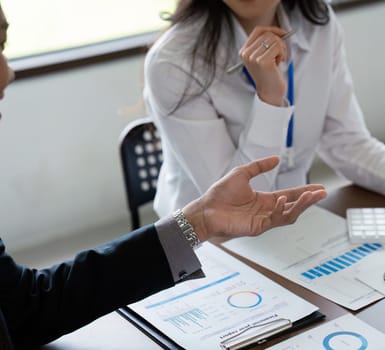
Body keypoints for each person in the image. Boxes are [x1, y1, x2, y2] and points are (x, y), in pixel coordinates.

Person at [0, 5, 327, 349]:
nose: (8, 74)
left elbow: (27, 306)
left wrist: (196, 223)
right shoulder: (174, 59)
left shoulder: (315, 21)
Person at [144, 0, 385, 219]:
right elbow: (239, 202)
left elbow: (347, 143)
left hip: (296, 221)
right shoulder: (175, 61)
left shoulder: (315, 21)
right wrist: (271, 98)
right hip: (211, 241)